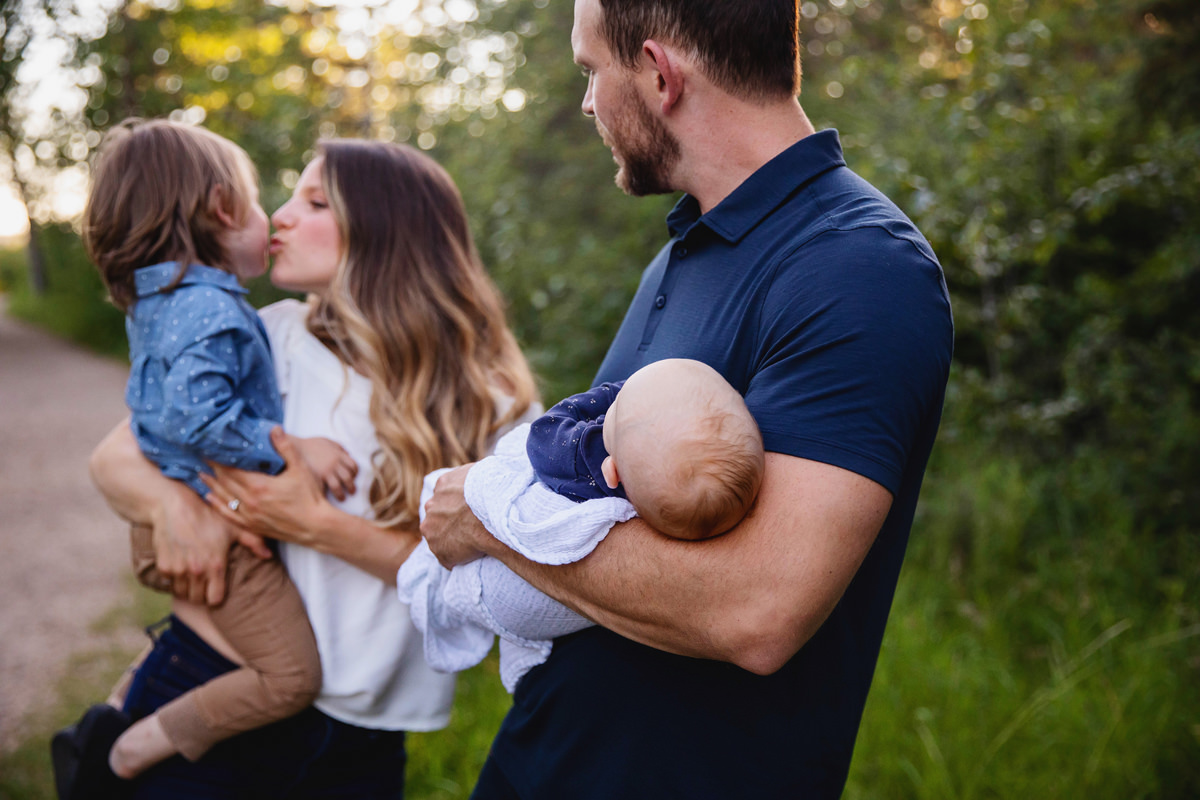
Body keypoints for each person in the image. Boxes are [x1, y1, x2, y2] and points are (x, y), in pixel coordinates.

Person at [419, 0, 955, 797]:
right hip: (544, 759)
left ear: (661, 73)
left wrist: (493, 522)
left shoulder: (859, 269)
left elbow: (758, 612)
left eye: (591, 71)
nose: (588, 102)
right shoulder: (688, 251)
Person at [87, 138, 538, 798]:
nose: (279, 214)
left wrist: (315, 524)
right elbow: (118, 455)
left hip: (367, 731)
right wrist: (171, 508)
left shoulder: (495, 402)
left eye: (315, 201)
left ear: (387, 228)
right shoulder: (269, 335)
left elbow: (498, 583)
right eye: (290, 194)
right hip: (216, 679)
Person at [64, 119, 363, 792]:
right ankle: (128, 746)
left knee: (207, 646)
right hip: (216, 537)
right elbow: (191, 416)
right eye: (261, 202)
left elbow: (157, 415)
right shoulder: (212, 311)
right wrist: (292, 449)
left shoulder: (168, 303)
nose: (274, 218)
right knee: (289, 678)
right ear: (224, 208)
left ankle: (115, 716)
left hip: (198, 526)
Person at [398, 358, 763, 692]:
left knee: (448, 541)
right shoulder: (660, 497)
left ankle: (428, 588)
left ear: (612, 471)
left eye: (616, 412)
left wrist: (612, 396)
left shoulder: (587, 467)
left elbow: (544, 433)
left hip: (506, 597)